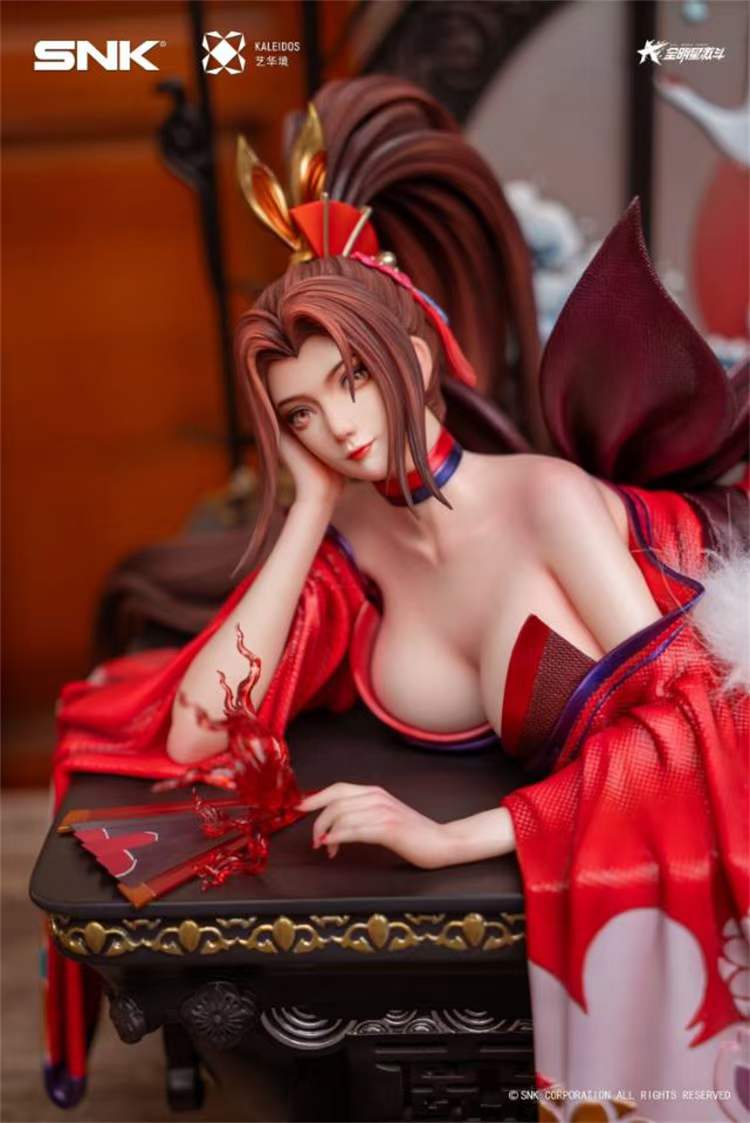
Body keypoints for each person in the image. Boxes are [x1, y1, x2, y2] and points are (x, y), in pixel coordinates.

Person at [47, 77, 748, 1117]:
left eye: (353, 381)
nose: (338, 426)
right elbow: (201, 732)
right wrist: (307, 506)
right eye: (299, 413)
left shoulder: (547, 503)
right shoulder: (351, 541)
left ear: (412, 360)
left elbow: (700, 727)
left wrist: (454, 837)